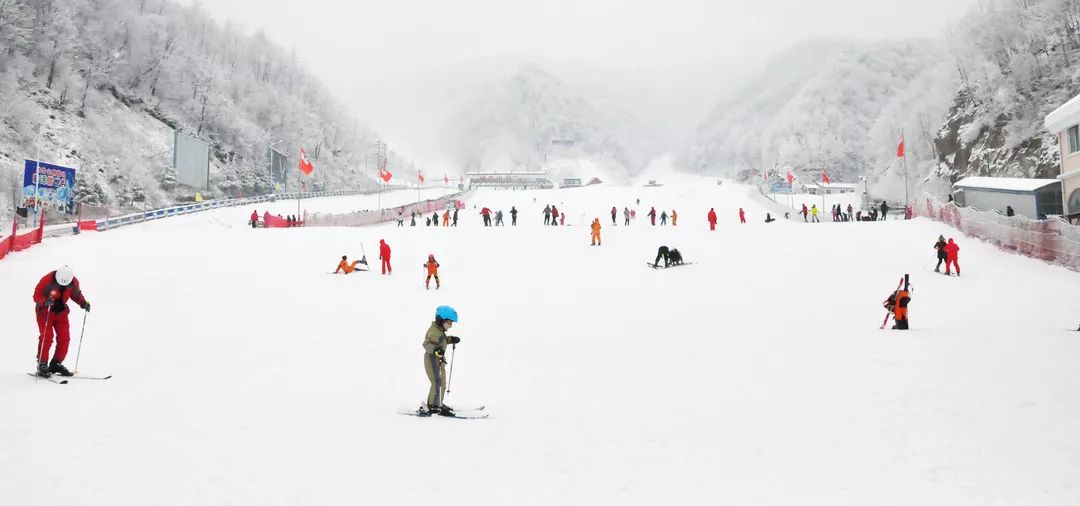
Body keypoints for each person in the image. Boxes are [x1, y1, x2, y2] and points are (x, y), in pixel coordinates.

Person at [33, 265, 90, 377]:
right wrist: (45, 301)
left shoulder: (73, 282)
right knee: (47, 337)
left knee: (64, 338)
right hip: (45, 312)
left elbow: (76, 294)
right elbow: (37, 295)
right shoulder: (47, 279)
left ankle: (56, 363)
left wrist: (83, 303)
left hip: (61, 312)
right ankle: (42, 364)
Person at [422, 306, 462, 416]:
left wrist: (450, 339)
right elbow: (426, 344)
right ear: (441, 320)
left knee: (442, 384)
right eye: (449, 322)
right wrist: (435, 350)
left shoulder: (440, 331)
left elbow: (441, 341)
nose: (451, 325)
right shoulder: (434, 331)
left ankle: (438, 403)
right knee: (436, 383)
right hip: (431, 360)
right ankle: (433, 405)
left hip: (439, 360)